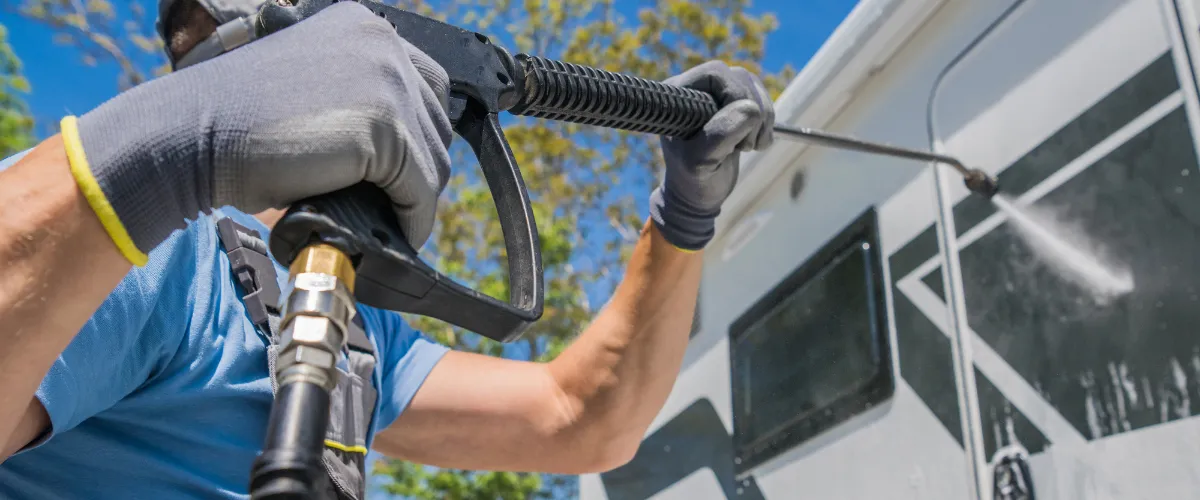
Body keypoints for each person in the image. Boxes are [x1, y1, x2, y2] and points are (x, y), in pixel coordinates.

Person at [0, 0, 775, 497]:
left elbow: (581, 420)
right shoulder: (146, 256)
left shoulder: (342, 311)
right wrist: (170, 150)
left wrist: (681, 217)